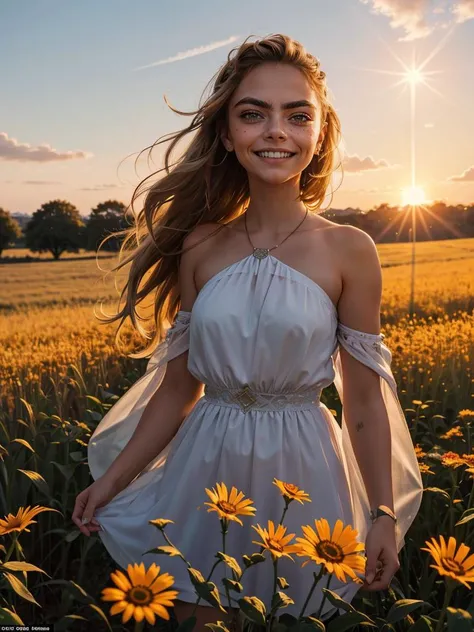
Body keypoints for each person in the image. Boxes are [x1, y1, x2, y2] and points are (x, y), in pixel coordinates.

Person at [72, 33, 423, 631]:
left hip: (305, 467)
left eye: (297, 115)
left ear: (319, 133)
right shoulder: (201, 245)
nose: (276, 131)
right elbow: (179, 387)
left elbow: (363, 399)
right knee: (197, 617)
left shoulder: (350, 250)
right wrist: (113, 479)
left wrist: (384, 512)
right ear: (228, 134)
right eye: (252, 114)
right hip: (204, 463)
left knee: (294, 616)